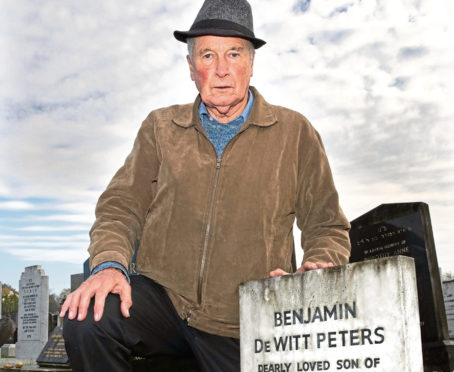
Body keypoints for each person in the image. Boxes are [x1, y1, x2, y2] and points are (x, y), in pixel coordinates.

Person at [60, 0, 351, 371]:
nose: (222, 70)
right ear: (191, 68)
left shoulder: (294, 133)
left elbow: (326, 225)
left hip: (245, 317)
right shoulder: (161, 127)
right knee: (88, 318)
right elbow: (121, 205)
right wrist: (110, 265)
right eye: (208, 55)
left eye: (233, 53)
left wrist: (318, 266)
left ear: (251, 62)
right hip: (165, 300)